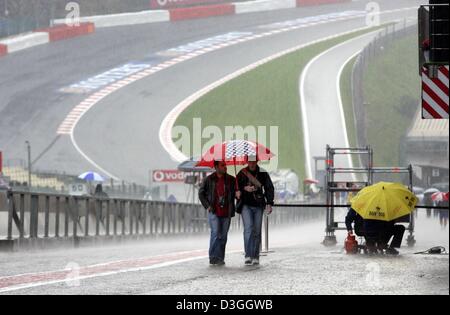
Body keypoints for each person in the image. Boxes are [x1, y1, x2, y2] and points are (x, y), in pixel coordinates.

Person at [198, 160, 237, 266]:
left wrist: (238, 193)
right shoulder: (208, 179)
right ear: (216, 167)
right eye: (222, 165)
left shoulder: (231, 180)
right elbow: (201, 194)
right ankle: (213, 257)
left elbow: (236, 193)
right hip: (214, 211)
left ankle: (220, 257)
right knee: (215, 233)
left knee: (223, 236)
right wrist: (207, 206)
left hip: (227, 211)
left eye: (225, 165)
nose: (225, 167)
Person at [237, 158, 274, 266]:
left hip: (258, 205)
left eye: (254, 161)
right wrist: (243, 189)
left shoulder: (263, 173)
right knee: (248, 229)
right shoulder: (242, 173)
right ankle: (248, 255)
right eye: (250, 161)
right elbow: (236, 187)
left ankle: (255, 256)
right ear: (247, 161)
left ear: (257, 161)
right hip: (245, 205)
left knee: (257, 231)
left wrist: (269, 203)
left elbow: (269, 188)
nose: (252, 163)